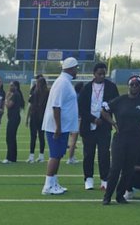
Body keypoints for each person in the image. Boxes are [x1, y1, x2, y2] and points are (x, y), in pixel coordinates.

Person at [100, 76, 140, 204]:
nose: (134, 87)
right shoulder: (120, 100)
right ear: (128, 85)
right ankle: (107, 196)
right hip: (120, 137)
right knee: (115, 168)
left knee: (128, 168)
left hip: (136, 138)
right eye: (132, 84)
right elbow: (104, 111)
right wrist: (113, 123)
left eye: (137, 85)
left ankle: (120, 195)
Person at [41, 56, 80, 195]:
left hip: (62, 126)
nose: (77, 71)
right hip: (56, 126)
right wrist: (58, 127)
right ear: (71, 68)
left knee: (58, 155)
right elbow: (56, 106)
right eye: (76, 68)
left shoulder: (65, 82)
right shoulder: (62, 83)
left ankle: (53, 182)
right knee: (55, 155)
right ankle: (48, 185)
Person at [78, 62, 118, 189]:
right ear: (94, 74)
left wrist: (106, 117)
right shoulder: (86, 88)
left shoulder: (111, 87)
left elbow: (116, 104)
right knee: (88, 154)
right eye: (99, 74)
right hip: (89, 126)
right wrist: (93, 119)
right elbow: (81, 108)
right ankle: (88, 179)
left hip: (104, 126)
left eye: (103, 74)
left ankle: (104, 179)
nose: (101, 76)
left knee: (104, 154)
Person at [27, 74, 48, 162]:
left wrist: (28, 117)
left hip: (36, 116)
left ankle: (32, 156)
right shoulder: (47, 92)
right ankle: (41, 156)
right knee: (41, 136)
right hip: (42, 116)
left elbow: (31, 104)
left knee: (33, 136)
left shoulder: (35, 92)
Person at [3, 80, 25, 163]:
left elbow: (9, 105)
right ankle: (13, 157)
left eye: (12, 85)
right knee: (12, 137)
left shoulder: (15, 95)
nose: (10, 87)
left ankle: (9, 157)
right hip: (14, 118)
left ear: (16, 86)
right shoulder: (17, 94)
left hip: (13, 118)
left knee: (10, 137)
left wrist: (6, 98)